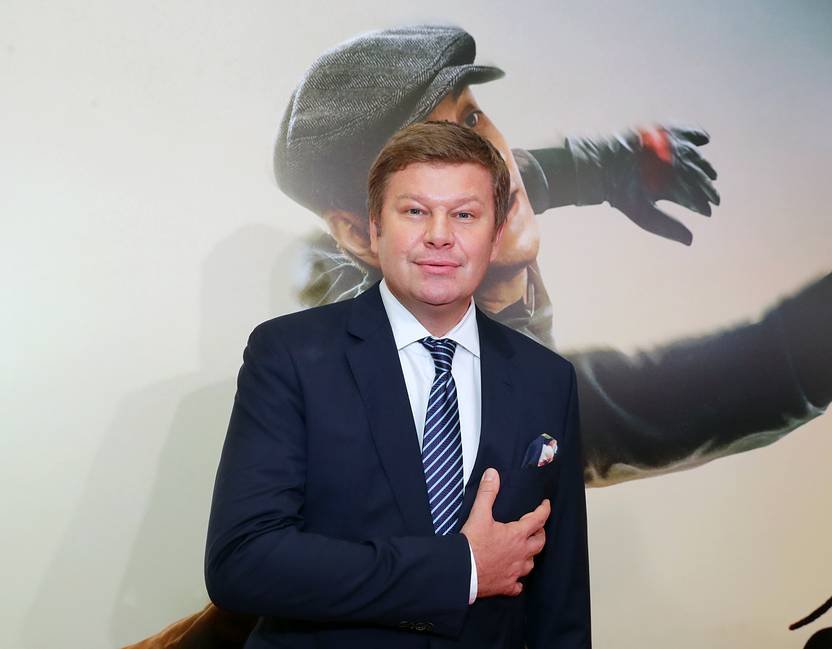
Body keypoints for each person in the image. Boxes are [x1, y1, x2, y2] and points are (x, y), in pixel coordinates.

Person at [125, 26, 832, 649]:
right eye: (413, 195)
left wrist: (597, 165)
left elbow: (558, 600)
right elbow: (661, 399)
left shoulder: (508, 342)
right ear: (361, 230)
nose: (480, 181)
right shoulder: (312, 351)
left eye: (473, 120)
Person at [203, 120, 591, 648]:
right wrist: (460, 568)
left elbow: (561, 603)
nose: (440, 235)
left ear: (496, 232)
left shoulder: (547, 378)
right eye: (414, 211)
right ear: (373, 228)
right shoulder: (289, 356)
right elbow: (242, 562)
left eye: (465, 214)